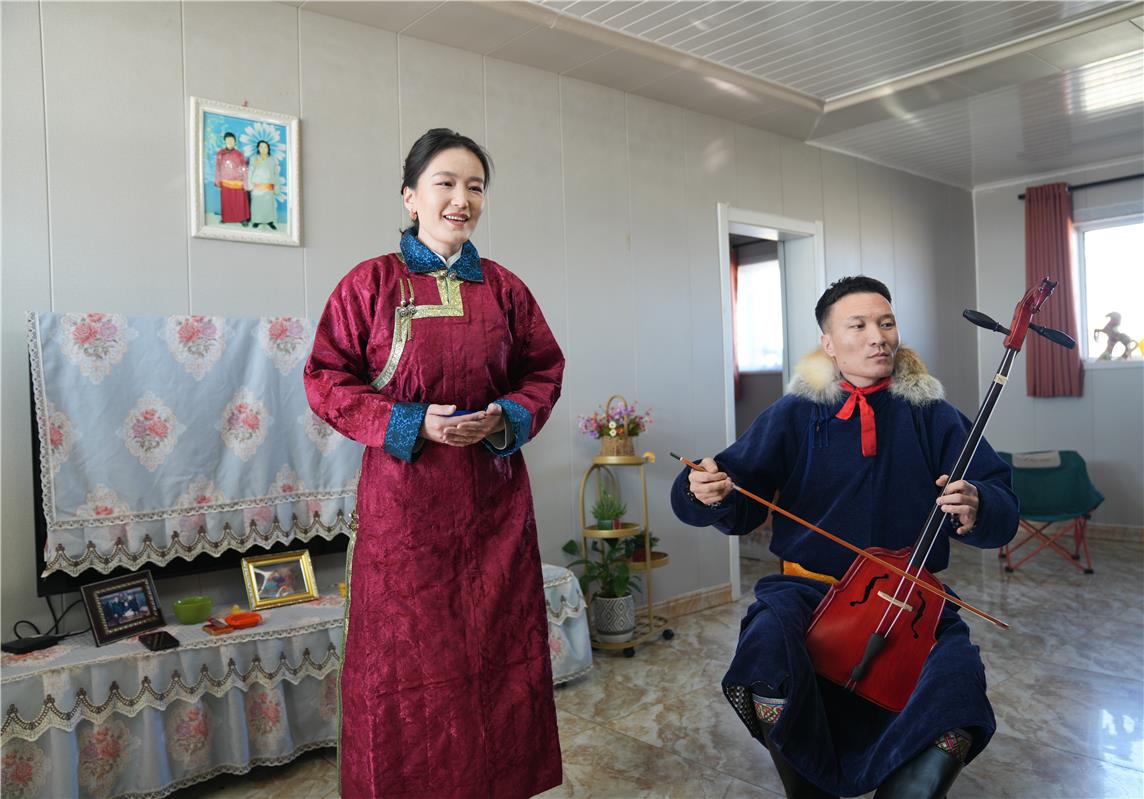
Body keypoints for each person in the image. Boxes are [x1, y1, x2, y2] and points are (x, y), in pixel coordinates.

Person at [672, 276, 1019, 799]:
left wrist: (979, 503)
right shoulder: (794, 412)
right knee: (766, 654)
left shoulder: (934, 415)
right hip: (808, 590)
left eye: (887, 322)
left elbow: (1002, 505)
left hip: (910, 597)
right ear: (829, 343)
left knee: (956, 690)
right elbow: (736, 493)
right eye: (858, 325)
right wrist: (705, 490)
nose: (878, 336)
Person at [304, 128, 565, 798]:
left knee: (497, 656)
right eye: (445, 183)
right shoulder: (369, 284)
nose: (461, 199)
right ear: (410, 196)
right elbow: (325, 379)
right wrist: (414, 422)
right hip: (405, 510)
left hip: (495, 508)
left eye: (475, 187)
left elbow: (544, 371)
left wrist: (504, 417)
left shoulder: (505, 289)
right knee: (406, 666)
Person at [214, 132, 249, 226]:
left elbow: (244, 168)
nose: (230, 142)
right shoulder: (220, 154)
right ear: (225, 141)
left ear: (235, 141)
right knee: (226, 201)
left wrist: (246, 183)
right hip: (225, 182)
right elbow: (218, 167)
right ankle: (226, 218)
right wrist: (217, 180)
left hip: (238, 182)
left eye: (232, 140)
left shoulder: (239, 154)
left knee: (240, 201)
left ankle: (242, 219)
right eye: (228, 140)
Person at [246, 139, 280, 230]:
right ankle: (256, 221)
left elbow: (276, 174)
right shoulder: (254, 158)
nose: (263, 149)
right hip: (257, 187)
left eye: (265, 147)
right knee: (256, 205)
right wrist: (250, 185)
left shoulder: (272, 160)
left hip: (268, 187)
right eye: (261, 147)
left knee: (268, 206)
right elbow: (250, 172)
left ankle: (270, 221)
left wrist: (276, 188)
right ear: (258, 148)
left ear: (268, 148)